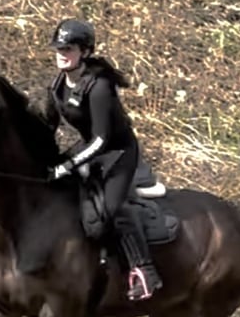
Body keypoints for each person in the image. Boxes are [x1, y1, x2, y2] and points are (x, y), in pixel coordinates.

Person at [44, 18, 162, 301]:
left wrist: (69, 165)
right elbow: (47, 124)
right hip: (91, 148)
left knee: (109, 210)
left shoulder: (99, 87)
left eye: (69, 48)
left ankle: (145, 272)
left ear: (84, 52)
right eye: (59, 48)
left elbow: (100, 140)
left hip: (117, 153)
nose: (62, 53)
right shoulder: (58, 84)